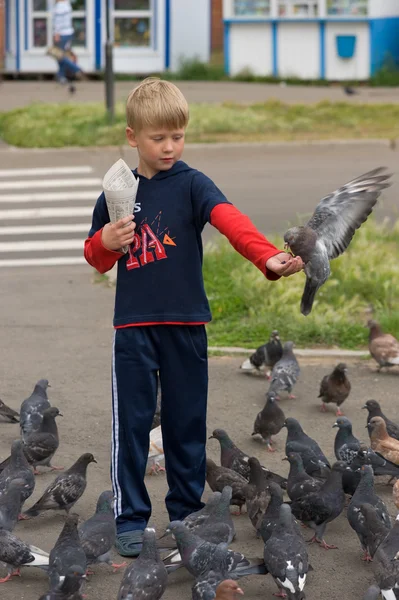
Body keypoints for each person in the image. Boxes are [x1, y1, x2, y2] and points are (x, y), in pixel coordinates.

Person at [84, 78, 304, 558]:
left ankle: (185, 513)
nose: (169, 147)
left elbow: (231, 219)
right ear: (132, 136)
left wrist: (267, 258)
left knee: (187, 424)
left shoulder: (192, 184)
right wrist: (106, 243)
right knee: (133, 426)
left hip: (187, 326)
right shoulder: (118, 190)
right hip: (134, 329)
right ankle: (130, 516)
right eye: (158, 137)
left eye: (177, 136)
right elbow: (94, 256)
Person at [52, 0, 83, 84]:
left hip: (61, 34)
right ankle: (61, 76)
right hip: (69, 33)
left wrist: (56, 34)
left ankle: (76, 68)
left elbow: (58, 21)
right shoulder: (67, 4)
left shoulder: (59, 6)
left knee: (60, 56)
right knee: (62, 55)